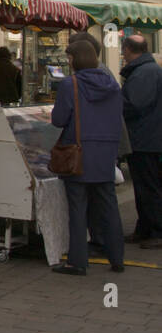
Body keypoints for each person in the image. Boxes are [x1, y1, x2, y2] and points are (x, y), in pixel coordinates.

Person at [50, 41, 125, 275]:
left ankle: (77, 261)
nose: (68, 62)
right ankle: (117, 258)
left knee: (77, 209)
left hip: (78, 152)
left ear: (75, 59)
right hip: (105, 153)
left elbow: (59, 120)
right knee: (109, 207)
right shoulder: (113, 85)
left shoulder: (69, 84)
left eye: (69, 57)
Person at [119, 34, 162, 248]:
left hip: (146, 139)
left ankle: (156, 231)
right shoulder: (147, 70)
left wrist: (115, 102)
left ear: (127, 49)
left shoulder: (144, 73)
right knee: (144, 187)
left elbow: (135, 104)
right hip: (148, 137)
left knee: (149, 186)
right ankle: (145, 228)